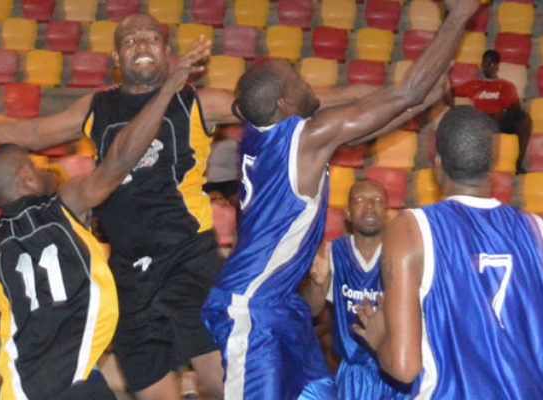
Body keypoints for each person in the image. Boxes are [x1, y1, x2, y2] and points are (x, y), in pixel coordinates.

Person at [201, 1, 480, 398]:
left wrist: (428, 92)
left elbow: (382, 114)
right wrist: (459, 16)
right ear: (284, 104)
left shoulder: (261, 132)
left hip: (282, 306)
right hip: (252, 308)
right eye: (297, 79)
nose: (307, 82)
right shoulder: (305, 139)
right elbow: (405, 92)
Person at [0, 44, 209, 400]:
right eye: (35, 167)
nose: (44, 170)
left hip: (20, 389)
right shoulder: (64, 204)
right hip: (75, 382)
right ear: (25, 178)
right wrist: (165, 93)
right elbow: (119, 160)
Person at [354, 106, 543, 398]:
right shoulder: (537, 230)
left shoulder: (410, 230)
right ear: (493, 162)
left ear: (437, 162)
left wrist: (380, 340)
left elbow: (404, 367)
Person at [300, 179, 411, 399]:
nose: (369, 206)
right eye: (360, 200)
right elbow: (311, 311)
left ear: (387, 213)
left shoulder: (404, 255)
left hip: (396, 370)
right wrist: (317, 283)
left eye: (377, 200)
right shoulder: (333, 253)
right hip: (353, 375)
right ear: (348, 213)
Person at [449, 49, 531, 173]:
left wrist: (502, 114)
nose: (487, 66)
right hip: (480, 120)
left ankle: (517, 165)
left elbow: (515, 107)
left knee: (524, 120)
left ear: (497, 66)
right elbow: (451, 92)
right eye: (485, 63)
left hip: (501, 120)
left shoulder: (506, 86)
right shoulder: (474, 84)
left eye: (491, 63)